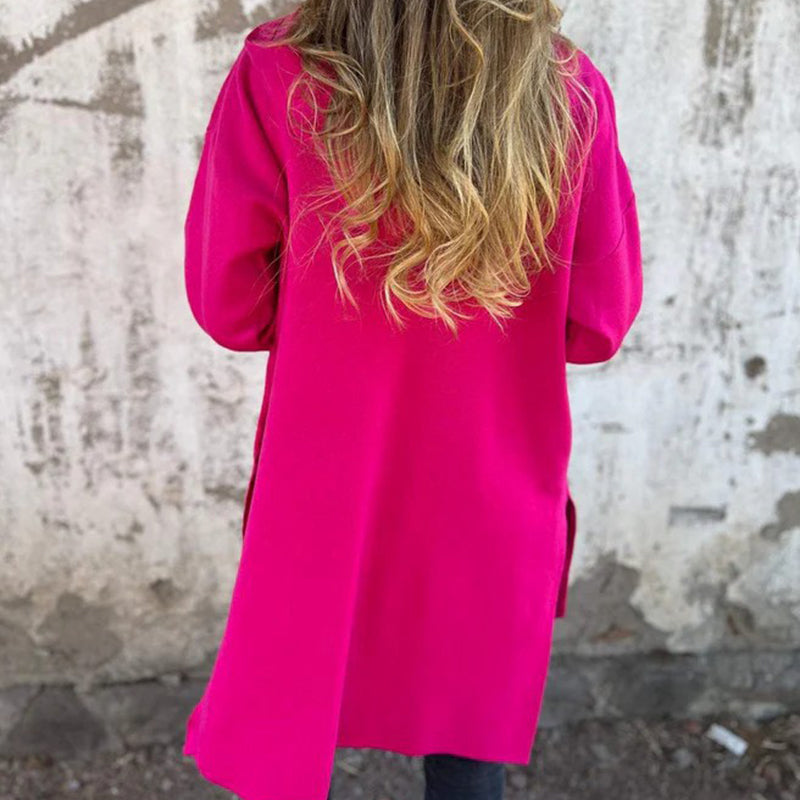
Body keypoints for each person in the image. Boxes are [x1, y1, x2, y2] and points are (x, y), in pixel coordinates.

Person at [180, 3, 642, 800]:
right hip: (488, 486)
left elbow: (230, 307)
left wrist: (330, 313)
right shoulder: (567, 91)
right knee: (467, 734)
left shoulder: (280, 72)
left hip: (323, 490)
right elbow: (597, 324)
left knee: (288, 720)